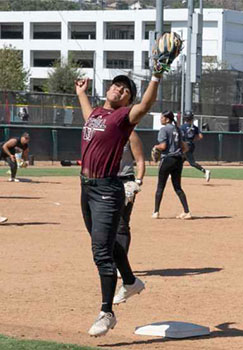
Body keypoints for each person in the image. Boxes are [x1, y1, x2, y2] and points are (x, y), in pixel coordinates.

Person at [75, 72, 161, 336]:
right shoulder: (98, 114)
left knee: (101, 253)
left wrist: (156, 76)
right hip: (86, 188)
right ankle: (132, 281)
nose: (119, 89)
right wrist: (80, 93)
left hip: (106, 190)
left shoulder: (123, 119)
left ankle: (107, 313)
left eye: (126, 90)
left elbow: (145, 105)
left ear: (128, 102)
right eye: (116, 85)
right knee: (108, 243)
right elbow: (87, 112)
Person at [116, 130, 146, 274]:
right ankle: (109, 259)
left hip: (125, 180)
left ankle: (120, 265)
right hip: (106, 180)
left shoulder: (130, 134)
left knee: (122, 224)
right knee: (105, 224)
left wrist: (137, 182)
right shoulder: (105, 130)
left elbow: (140, 160)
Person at [152, 111, 191, 220]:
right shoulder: (178, 129)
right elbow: (185, 148)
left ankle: (156, 212)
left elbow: (163, 146)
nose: (161, 119)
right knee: (178, 187)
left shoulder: (164, 130)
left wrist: (156, 147)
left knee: (160, 186)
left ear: (167, 119)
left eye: (162, 117)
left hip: (167, 159)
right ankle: (187, 212)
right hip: (178, 160)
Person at [180, 112, 211, 182]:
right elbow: (200, 136)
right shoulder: (194, 127)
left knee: (192, 163)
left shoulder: (182, 127)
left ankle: (205, 171)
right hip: (191, 145)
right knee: (180, 160)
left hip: (185, 145)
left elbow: (180, 137)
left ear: (185, 118)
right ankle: (172, 173)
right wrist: (193, 139)